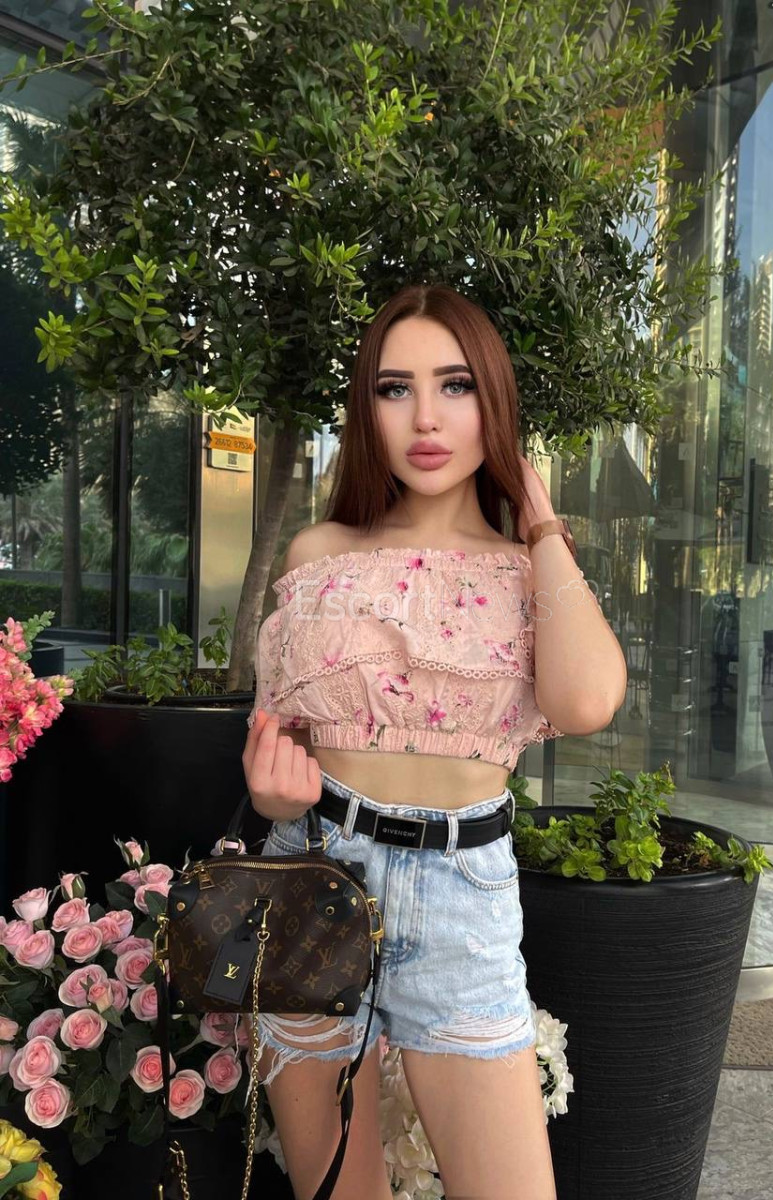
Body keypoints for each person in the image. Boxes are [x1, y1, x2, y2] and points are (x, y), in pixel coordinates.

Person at [241, 283, 627, 1200]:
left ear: (493, 403)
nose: (425, 418)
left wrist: (540, 522)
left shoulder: (527, 569)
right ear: (365, 410)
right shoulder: (316, 552)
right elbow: (275, 739)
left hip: (461, 897)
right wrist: (269, 794)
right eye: (394, 388)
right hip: (313, 869)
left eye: (455, 386)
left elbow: (584, 702)